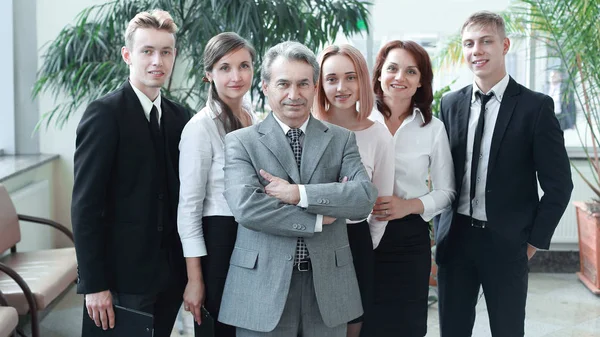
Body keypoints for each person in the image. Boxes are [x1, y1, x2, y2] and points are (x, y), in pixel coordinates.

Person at [217, 41, 378, 337]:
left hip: (328, 287)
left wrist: (299, 194)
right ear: (265, 87)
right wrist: (318, 218)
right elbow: (247, 208)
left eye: (303, 84)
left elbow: (363, 199)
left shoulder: (341, 140)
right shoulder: (241, 142)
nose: (294, 94)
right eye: (283, 84)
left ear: (314, 86)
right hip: (261, 287)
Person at [435, 11, 573, 337]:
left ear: (505, 45)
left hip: (507, 243)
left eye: (486, 41)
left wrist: (532, 242)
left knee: (508, 330)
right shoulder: (450, 104)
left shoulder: (535, 107)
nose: (476, 50)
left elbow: (559, 185)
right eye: (469, 43)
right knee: (452, 330)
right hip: (455, 240)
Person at [71, 10, 190, 337]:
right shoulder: (104, 115)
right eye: (147, 51)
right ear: (128, 55)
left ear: (174, 55)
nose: (157, 61)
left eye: (166, 51)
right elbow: (85, 207)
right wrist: (93, 284)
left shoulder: (181, 117)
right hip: (122, 279)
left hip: (170, 275)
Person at [365, 40, 456, 337]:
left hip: (408, 237)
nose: (399, 78)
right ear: (379, 74)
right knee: (362, 321)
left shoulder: (433, 128)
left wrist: (409, 205)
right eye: (392, 68)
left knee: (408, 324)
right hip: (358, 232)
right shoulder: (358, 119)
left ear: (420, 81)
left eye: (411, 71)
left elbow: (446, 192)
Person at [177, 32, 256, 337]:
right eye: (225, 67)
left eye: (243, 65)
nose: (236, 76)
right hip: (218, 239)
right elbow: (189, 208)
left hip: (250, 237)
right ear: (208, 75)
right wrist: (195, 278)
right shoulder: (200, 128)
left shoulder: (252, 118)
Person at [313, 44, 394, 337]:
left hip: (355, 241)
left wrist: (363, 244)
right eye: (331, 78)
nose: (341, 87)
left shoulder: (378, 135)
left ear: (362, 81)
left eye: (350, 77)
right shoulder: (305, 128)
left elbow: (381, 206)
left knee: (352, 324)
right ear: (319, 83)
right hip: (310, 238)